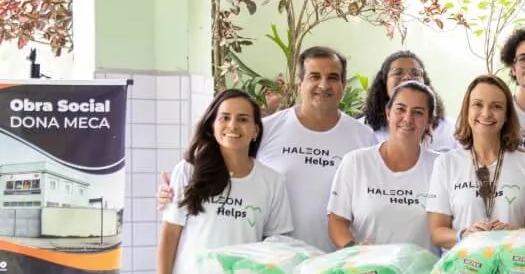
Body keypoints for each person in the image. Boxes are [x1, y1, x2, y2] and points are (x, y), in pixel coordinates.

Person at [155, 47, 374, 252]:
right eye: (314, 76)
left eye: (333, 77)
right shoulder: (267, 129)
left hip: (338, 260)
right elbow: (224, 165)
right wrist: (177, 189)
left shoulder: (363, 137)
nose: (324, 85)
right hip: (272, 262)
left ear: (344, 84)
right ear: (299, 83)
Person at [153, 89, 293, 274]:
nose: (233, 125)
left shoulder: (272, 182)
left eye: (243, 119)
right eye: (224, 117)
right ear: (212, 125)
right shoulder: (188, 171)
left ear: (255, 129)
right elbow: (169, 237)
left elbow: (276, 244)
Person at [426, 75, 525, 248]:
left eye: (496, 106)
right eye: (478, 104)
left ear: (507, 115)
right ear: (467, 110)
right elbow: (437, 232)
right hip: (461, 269)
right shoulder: (445, 163)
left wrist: (515, 233)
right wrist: (465, 234)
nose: (486, 113)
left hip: (513, 267)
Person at [327, 80, 438, 251]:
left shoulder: (440, 167)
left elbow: (449, 226)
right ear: (388, 113)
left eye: (418, 112)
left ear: (429, 120)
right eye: (400, 109)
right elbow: (337, 221)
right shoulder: (356, 162)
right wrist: (353, 250)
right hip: (365, 273)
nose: (407, 118)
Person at [361, 49, 454, 149]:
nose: (407, 77)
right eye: (398, 72)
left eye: (415, 73)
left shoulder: (448, 129)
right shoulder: (362, 129)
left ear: (425, 82)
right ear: (384, 81)